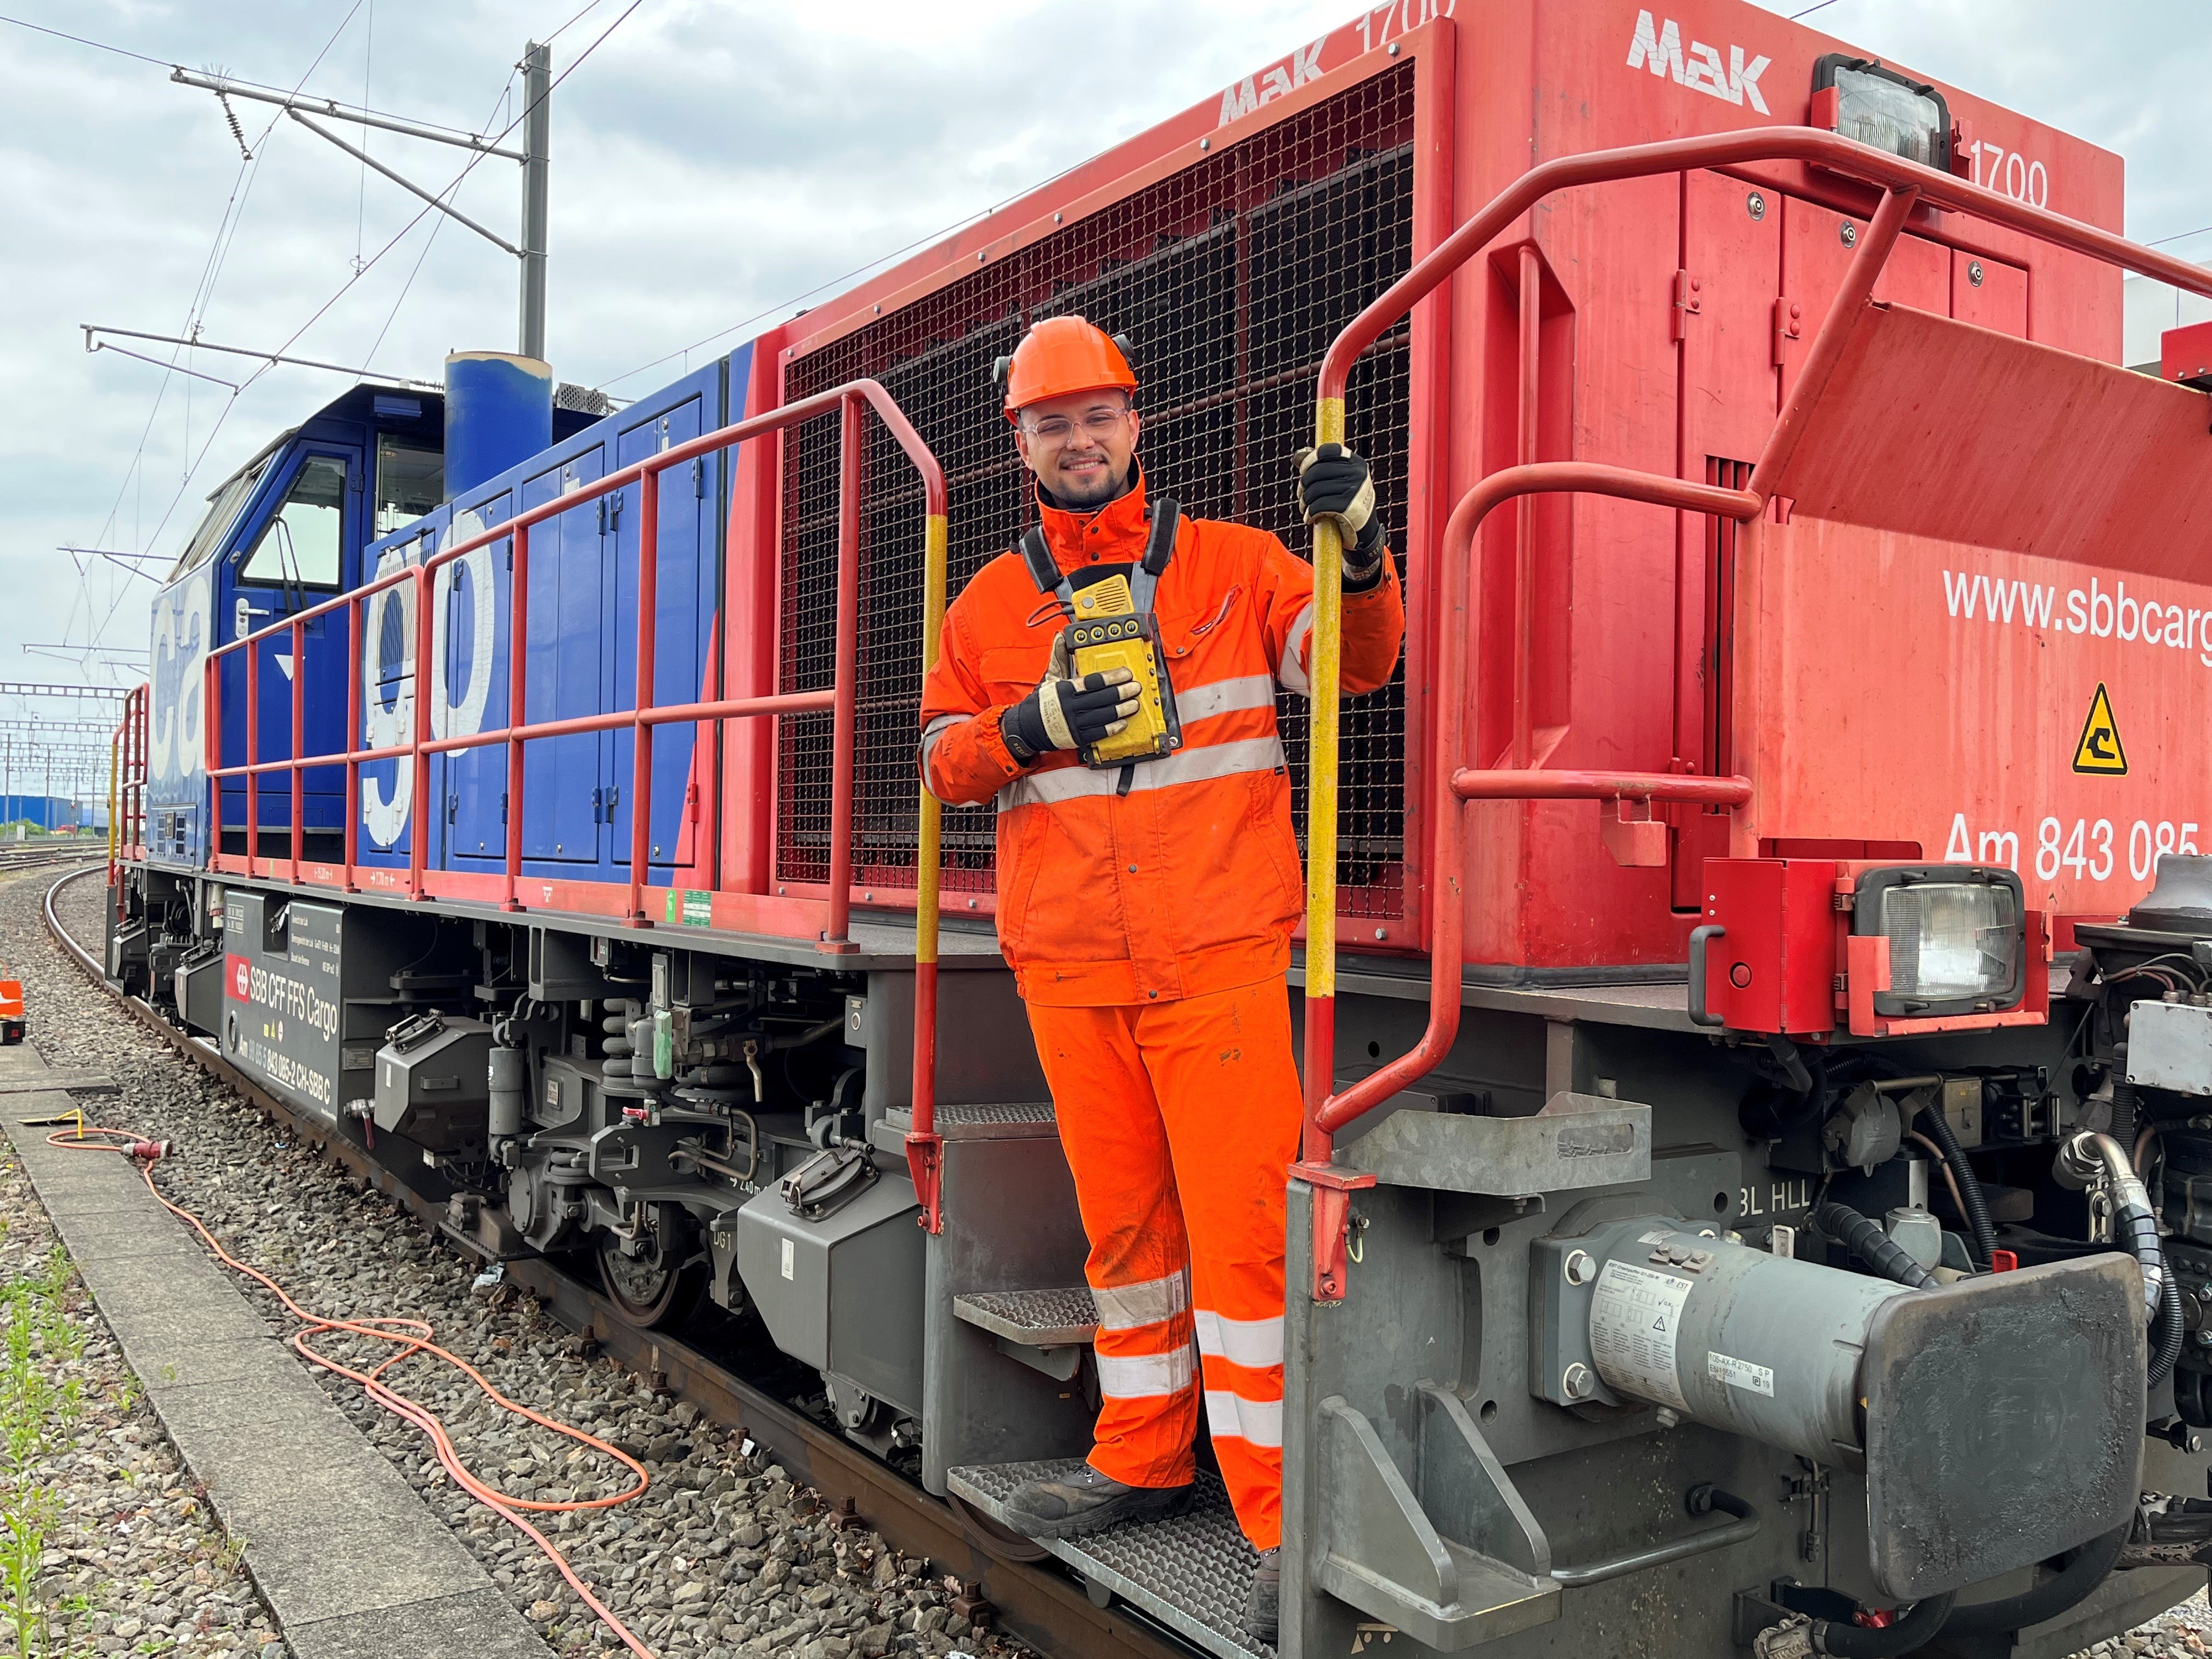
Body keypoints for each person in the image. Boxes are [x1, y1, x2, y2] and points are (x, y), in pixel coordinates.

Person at [917, 316, 1405, 1640]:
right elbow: (943, 757)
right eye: (1049, 423)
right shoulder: (985, 606)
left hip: (1218, 962)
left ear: (1138, 426)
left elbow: (1356, 666)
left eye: (1098, 417)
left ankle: (1278, 1518)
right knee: (1128, 1237)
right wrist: (1029, 728)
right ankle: (1141, 1454)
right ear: (1018, 444)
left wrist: (1359, 550)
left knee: (1246, 1245)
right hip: (1071, 970)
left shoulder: (1247, 568)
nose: (1077, 440)